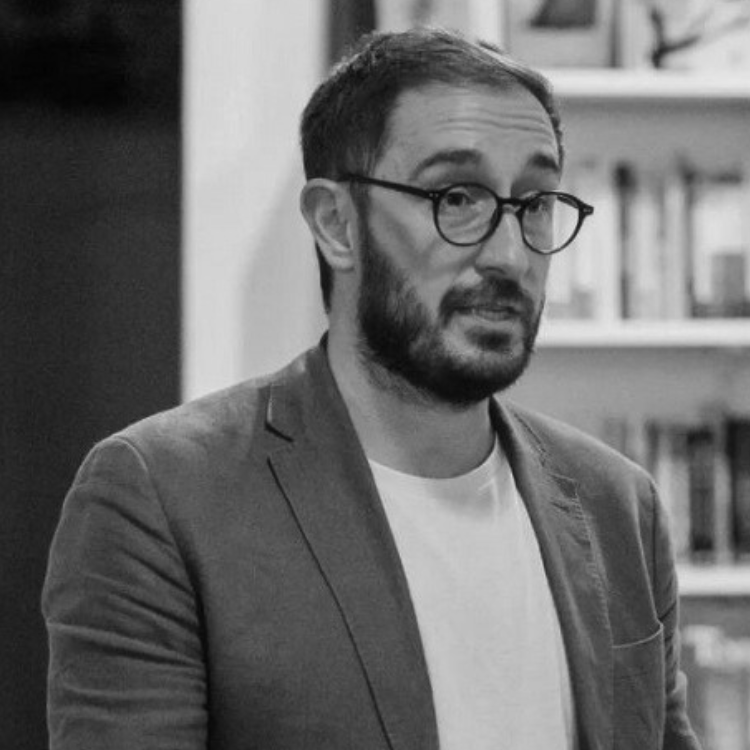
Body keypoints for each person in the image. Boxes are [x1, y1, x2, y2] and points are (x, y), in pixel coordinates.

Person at [42, 27, 702, 750]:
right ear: (337, 225)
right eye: (457, 197)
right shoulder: (162, 497)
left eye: (536, 201)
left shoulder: (618, 504)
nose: (511, 256)